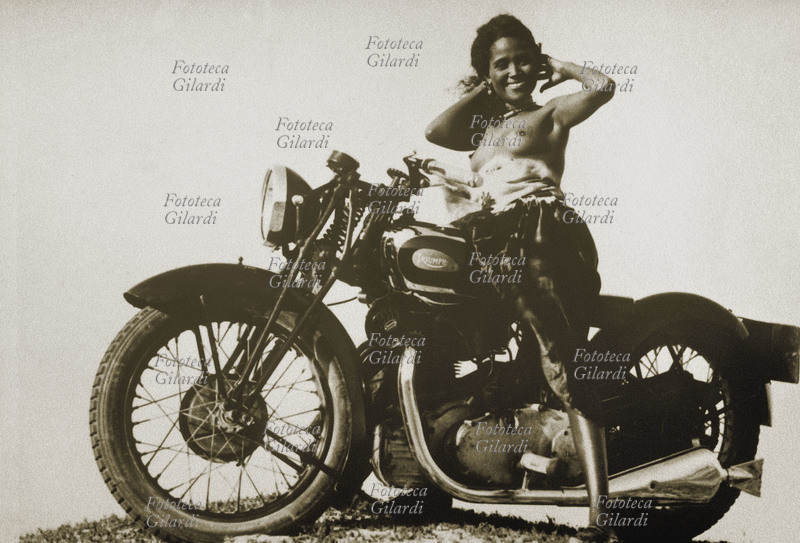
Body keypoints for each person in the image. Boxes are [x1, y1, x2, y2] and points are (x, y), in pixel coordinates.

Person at [425, 14, 618, 543]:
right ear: (487, 73)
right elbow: (434, 131)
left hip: (542, 238)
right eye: (500, 63)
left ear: (537, 61)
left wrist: (555, 64)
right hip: (493, 246)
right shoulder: (483, 131)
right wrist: (486, 84)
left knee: (562, 362)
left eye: (522, 59)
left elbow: (604, 86)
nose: (514, 70)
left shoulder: (550, 114)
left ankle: (603, 518)